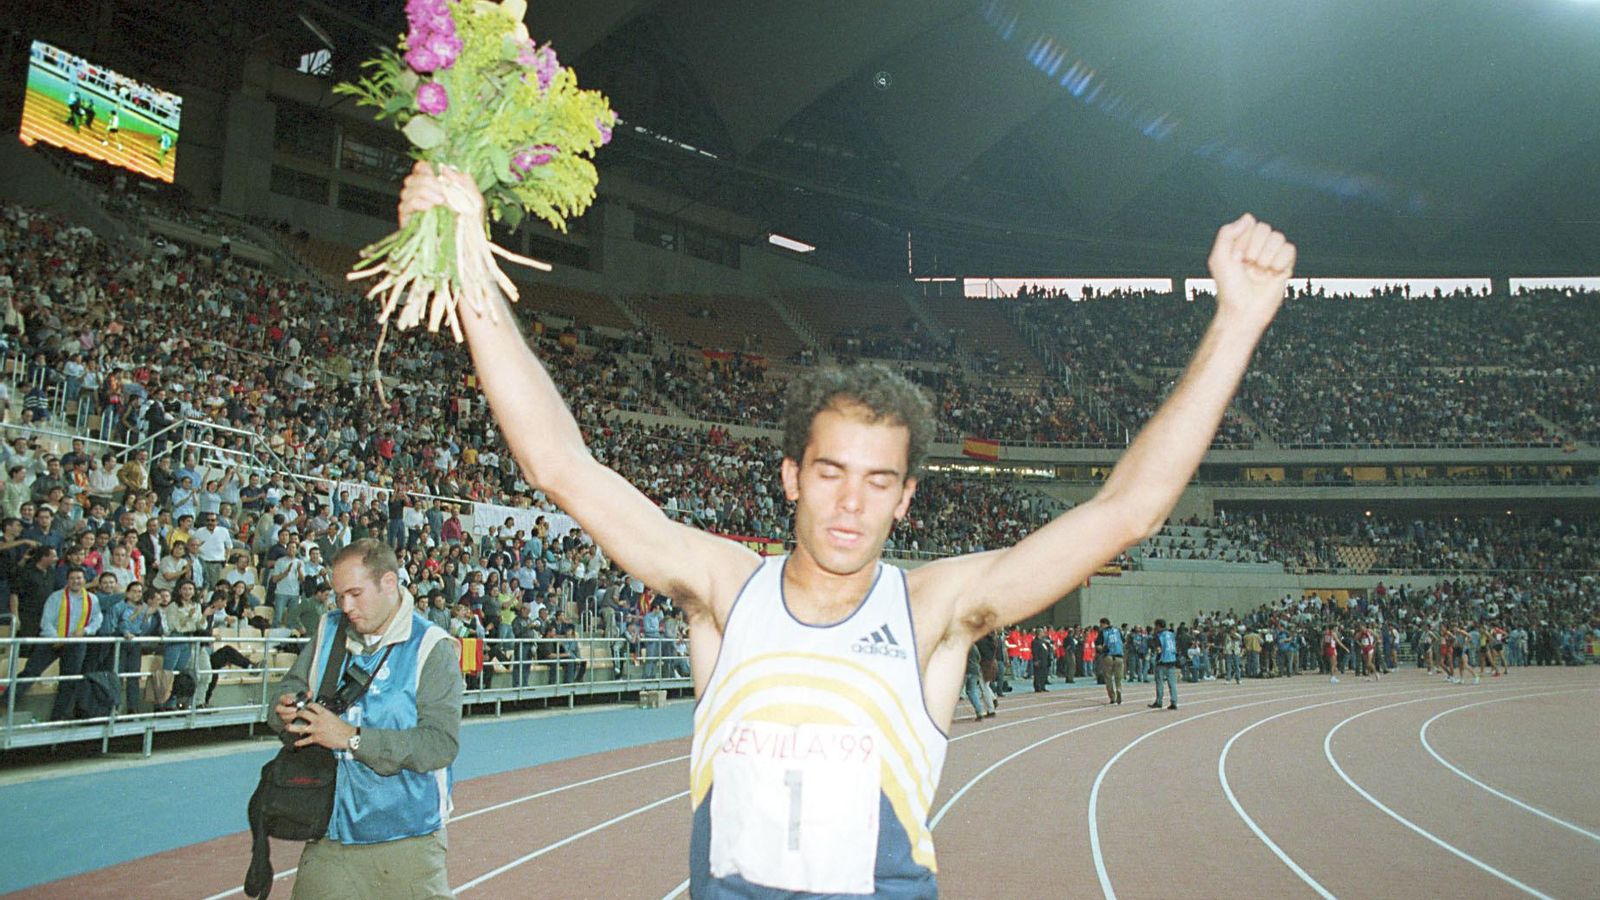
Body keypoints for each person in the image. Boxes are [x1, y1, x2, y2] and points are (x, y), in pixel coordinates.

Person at [399, 164, 1295, 897]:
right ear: (792, 475)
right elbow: (563, 466)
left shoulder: (934, 609)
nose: (850, 504)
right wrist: (472, 269)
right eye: (830, 473)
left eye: (878, 482)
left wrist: (1237, 323)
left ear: (906, 500)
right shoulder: (723, 590)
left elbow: (1126, 513)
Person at [269, 538, 462, 899]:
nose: (346, 606)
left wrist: (351, 738)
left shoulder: (432, 647)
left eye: (355, 594)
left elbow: (440, 745)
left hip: (407, 839)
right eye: (339, 595)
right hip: (330, 832)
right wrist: (285, 708)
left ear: (389, 583)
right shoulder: (329, 629)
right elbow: (290, 687)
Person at [1149, 619, 1179, 710]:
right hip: (1172, 660)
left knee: (1159, 682)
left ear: (1158, 626)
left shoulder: (1158, 636)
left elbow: (1159, 650)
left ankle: (1159, 701)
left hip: (1162, 661)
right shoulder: (1171, 634)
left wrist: (1157, 658)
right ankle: (1174, 701)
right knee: (1172, 683)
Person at [1096, 617, 1125, 705]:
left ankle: (1112, 697)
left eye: (1101, 624)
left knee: (1108, 677)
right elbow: (1123, 641)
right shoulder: (1118, 630)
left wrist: (1100, 650)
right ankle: (1119, 689)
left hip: (1108, 656)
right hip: (1119, 656)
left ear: (1104, 624)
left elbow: (1098, 645)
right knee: (1118, 677)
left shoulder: (1103, 632)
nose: (1100, 626)